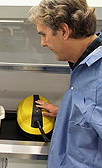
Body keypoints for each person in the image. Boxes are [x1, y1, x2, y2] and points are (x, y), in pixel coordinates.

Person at [29, 0, 102, 167]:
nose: (43, 43)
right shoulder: (80, 63)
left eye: (43, 34)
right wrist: (66, 111)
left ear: (63, 30)